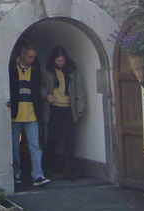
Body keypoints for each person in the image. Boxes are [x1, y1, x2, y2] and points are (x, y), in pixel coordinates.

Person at [8, 43, 50, 186]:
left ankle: (38, 175)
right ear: (22, 54)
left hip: (32, 114)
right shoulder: (12, 69)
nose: (32, 59)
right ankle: (16, 173)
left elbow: (39, 89)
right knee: (14, 146)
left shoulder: (36, 70)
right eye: (30, 57)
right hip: (15, 114)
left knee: (35, 145)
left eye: (33, 57)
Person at [42, 45, 86, 178]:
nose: (61, 63)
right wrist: (46, 95)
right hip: (54, 108)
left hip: (69, 109)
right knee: (52, 139)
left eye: (62, 60)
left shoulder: (72, 70)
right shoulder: (47, 71)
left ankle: (70, 171)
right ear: (53, 60)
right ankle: (46, 167)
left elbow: (79, 89)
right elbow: (41, 86)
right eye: (58, 61)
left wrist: (80, 108)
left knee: (70, 141)